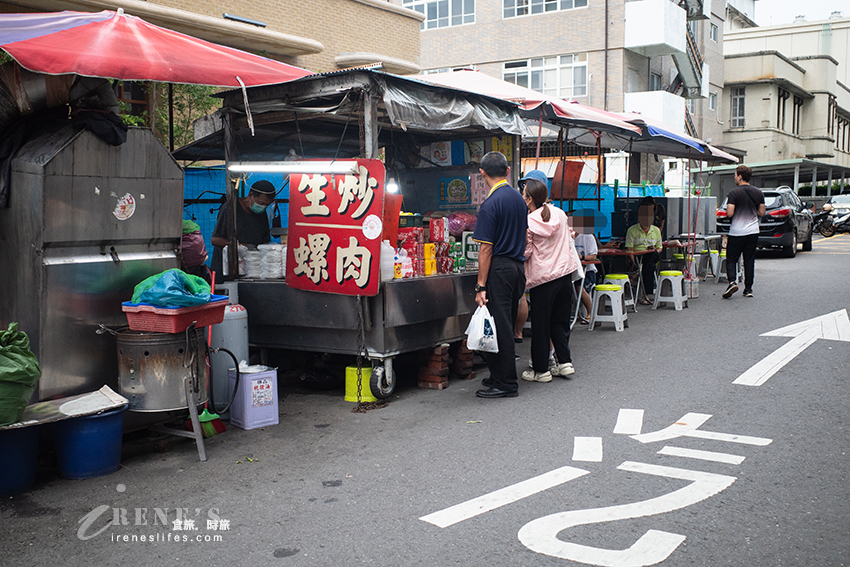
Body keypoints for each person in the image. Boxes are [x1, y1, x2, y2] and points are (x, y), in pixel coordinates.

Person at [472, 152, 528, 399]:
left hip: (500, 270)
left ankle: (506, 383)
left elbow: (486, 248)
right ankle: (497, 375)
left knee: (500, 326)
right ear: (507, 171)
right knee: (504, 322)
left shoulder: (490, 204)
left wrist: (480, 285)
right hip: (517, 268)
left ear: (482, 173)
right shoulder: (518, 199)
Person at [521, 175, 580, 383]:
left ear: (529, 199)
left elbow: (526, 252)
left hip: (542, 279)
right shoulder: (560, 214)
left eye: (523, 194)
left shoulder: (528, 221)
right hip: (564, 276)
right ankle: (565, 363)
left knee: (540, 325)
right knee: (560, 322)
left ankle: (541, 371)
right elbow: (571, 235)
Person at [210, 180, 276, 275]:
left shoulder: (261, 213)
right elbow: (215, 239)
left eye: (267, 205)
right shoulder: (231, 208)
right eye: (261, 203)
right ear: (250, 195)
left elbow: (264, 241)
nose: (263, 207)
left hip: (252, 269)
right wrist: (243, 247)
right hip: (226, 269)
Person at [723, 165, 765, 299]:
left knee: (731, 259)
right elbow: (762, 212)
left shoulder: (734, 193)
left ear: (740, 177)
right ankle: (748, 289)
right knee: (749, 260)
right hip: (753, 231)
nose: (734, 177)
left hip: (737, 232)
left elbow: (730, 213)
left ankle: (732, 282)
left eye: (735, 175)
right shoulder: (758, 192)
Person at [625, 202, 663, 305]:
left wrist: (654, 249)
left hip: (652, 255)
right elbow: (629, 249)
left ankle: (638, 274)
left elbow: (660, 248)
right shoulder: (632, 230)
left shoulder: (656, 230)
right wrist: (634, 263)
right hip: (638, 256)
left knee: (653, 256)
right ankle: (646, 294)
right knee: (649, 267)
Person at [572, 211, 599, 324]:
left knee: (579, 288)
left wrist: (581, 257)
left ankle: (590, 312)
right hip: (573, 270)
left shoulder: (588, 236)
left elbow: (593, 256)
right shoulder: (567, 237)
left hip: (587, 270)